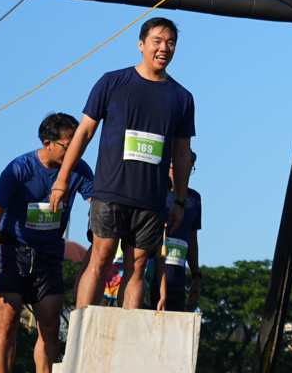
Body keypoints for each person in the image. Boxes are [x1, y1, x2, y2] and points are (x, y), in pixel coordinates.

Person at [47, 17, 194, 310]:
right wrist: (62, 180)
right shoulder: (112, 82)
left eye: (170, 43)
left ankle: (125, 333)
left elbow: (181, 154)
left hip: (151, 200)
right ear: (141, 44)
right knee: (100, 257)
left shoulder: (182, 97)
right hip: (110, 191)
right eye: (157, 41)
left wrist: (179, 200)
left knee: (137, 266)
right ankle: (82, 327)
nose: (164, 48)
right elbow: (83, 133)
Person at [0, 113, 92, 373]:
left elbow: (98, 203)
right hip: (12, 250)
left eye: (78, 144)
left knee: (50, 324)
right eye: (68, 145)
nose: (74, 150)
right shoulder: (19, 168)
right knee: (8, 319)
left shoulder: (79, 169)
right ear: (47, 143)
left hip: (49, 256)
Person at [155, 155, 202, 313]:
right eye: (179, 166)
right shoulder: (154, 192)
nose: (184, 171)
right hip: (149, 282)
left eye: (189, 168)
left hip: (177, 286)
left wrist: (196, 276)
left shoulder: (194, 199)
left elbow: (192, 240)